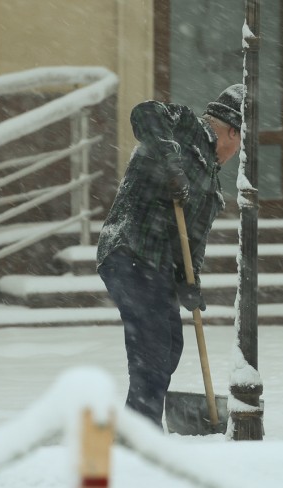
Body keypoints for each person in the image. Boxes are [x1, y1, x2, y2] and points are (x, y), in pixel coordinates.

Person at [96, 84, 244, 427]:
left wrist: (188, 282)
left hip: (159, 266)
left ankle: (141, 422)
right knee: (152, 344)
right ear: (232, 131)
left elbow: (191, 244)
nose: (235, 154)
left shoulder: (211, 185)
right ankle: (141, 429)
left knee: (170, 344)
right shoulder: (185, 126)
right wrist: (171, 162)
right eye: (240, 145)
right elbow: (145, 112)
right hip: (130, 249)